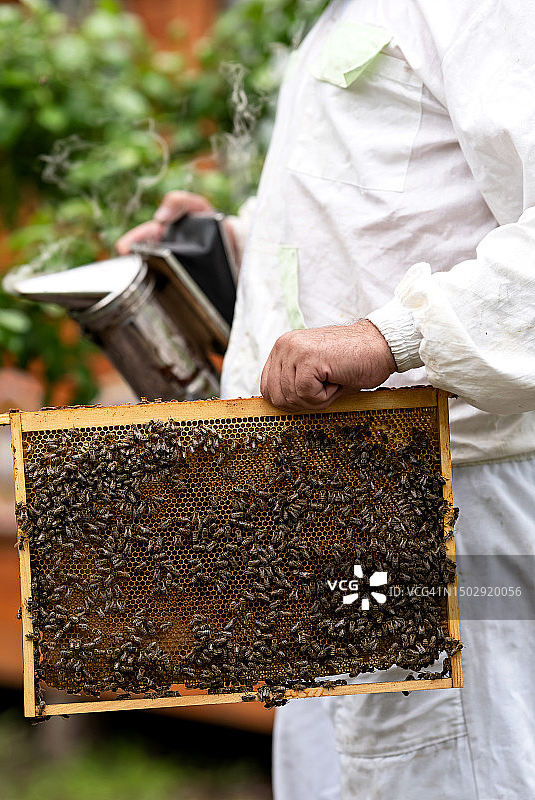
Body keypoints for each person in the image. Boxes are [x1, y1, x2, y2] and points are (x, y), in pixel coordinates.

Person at [117, 1, 535, 797]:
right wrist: (227, 246)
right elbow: (389, 221)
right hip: (328, 502)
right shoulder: (344, 15)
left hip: (453, 502)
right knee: (341, 771)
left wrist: (392, 337)